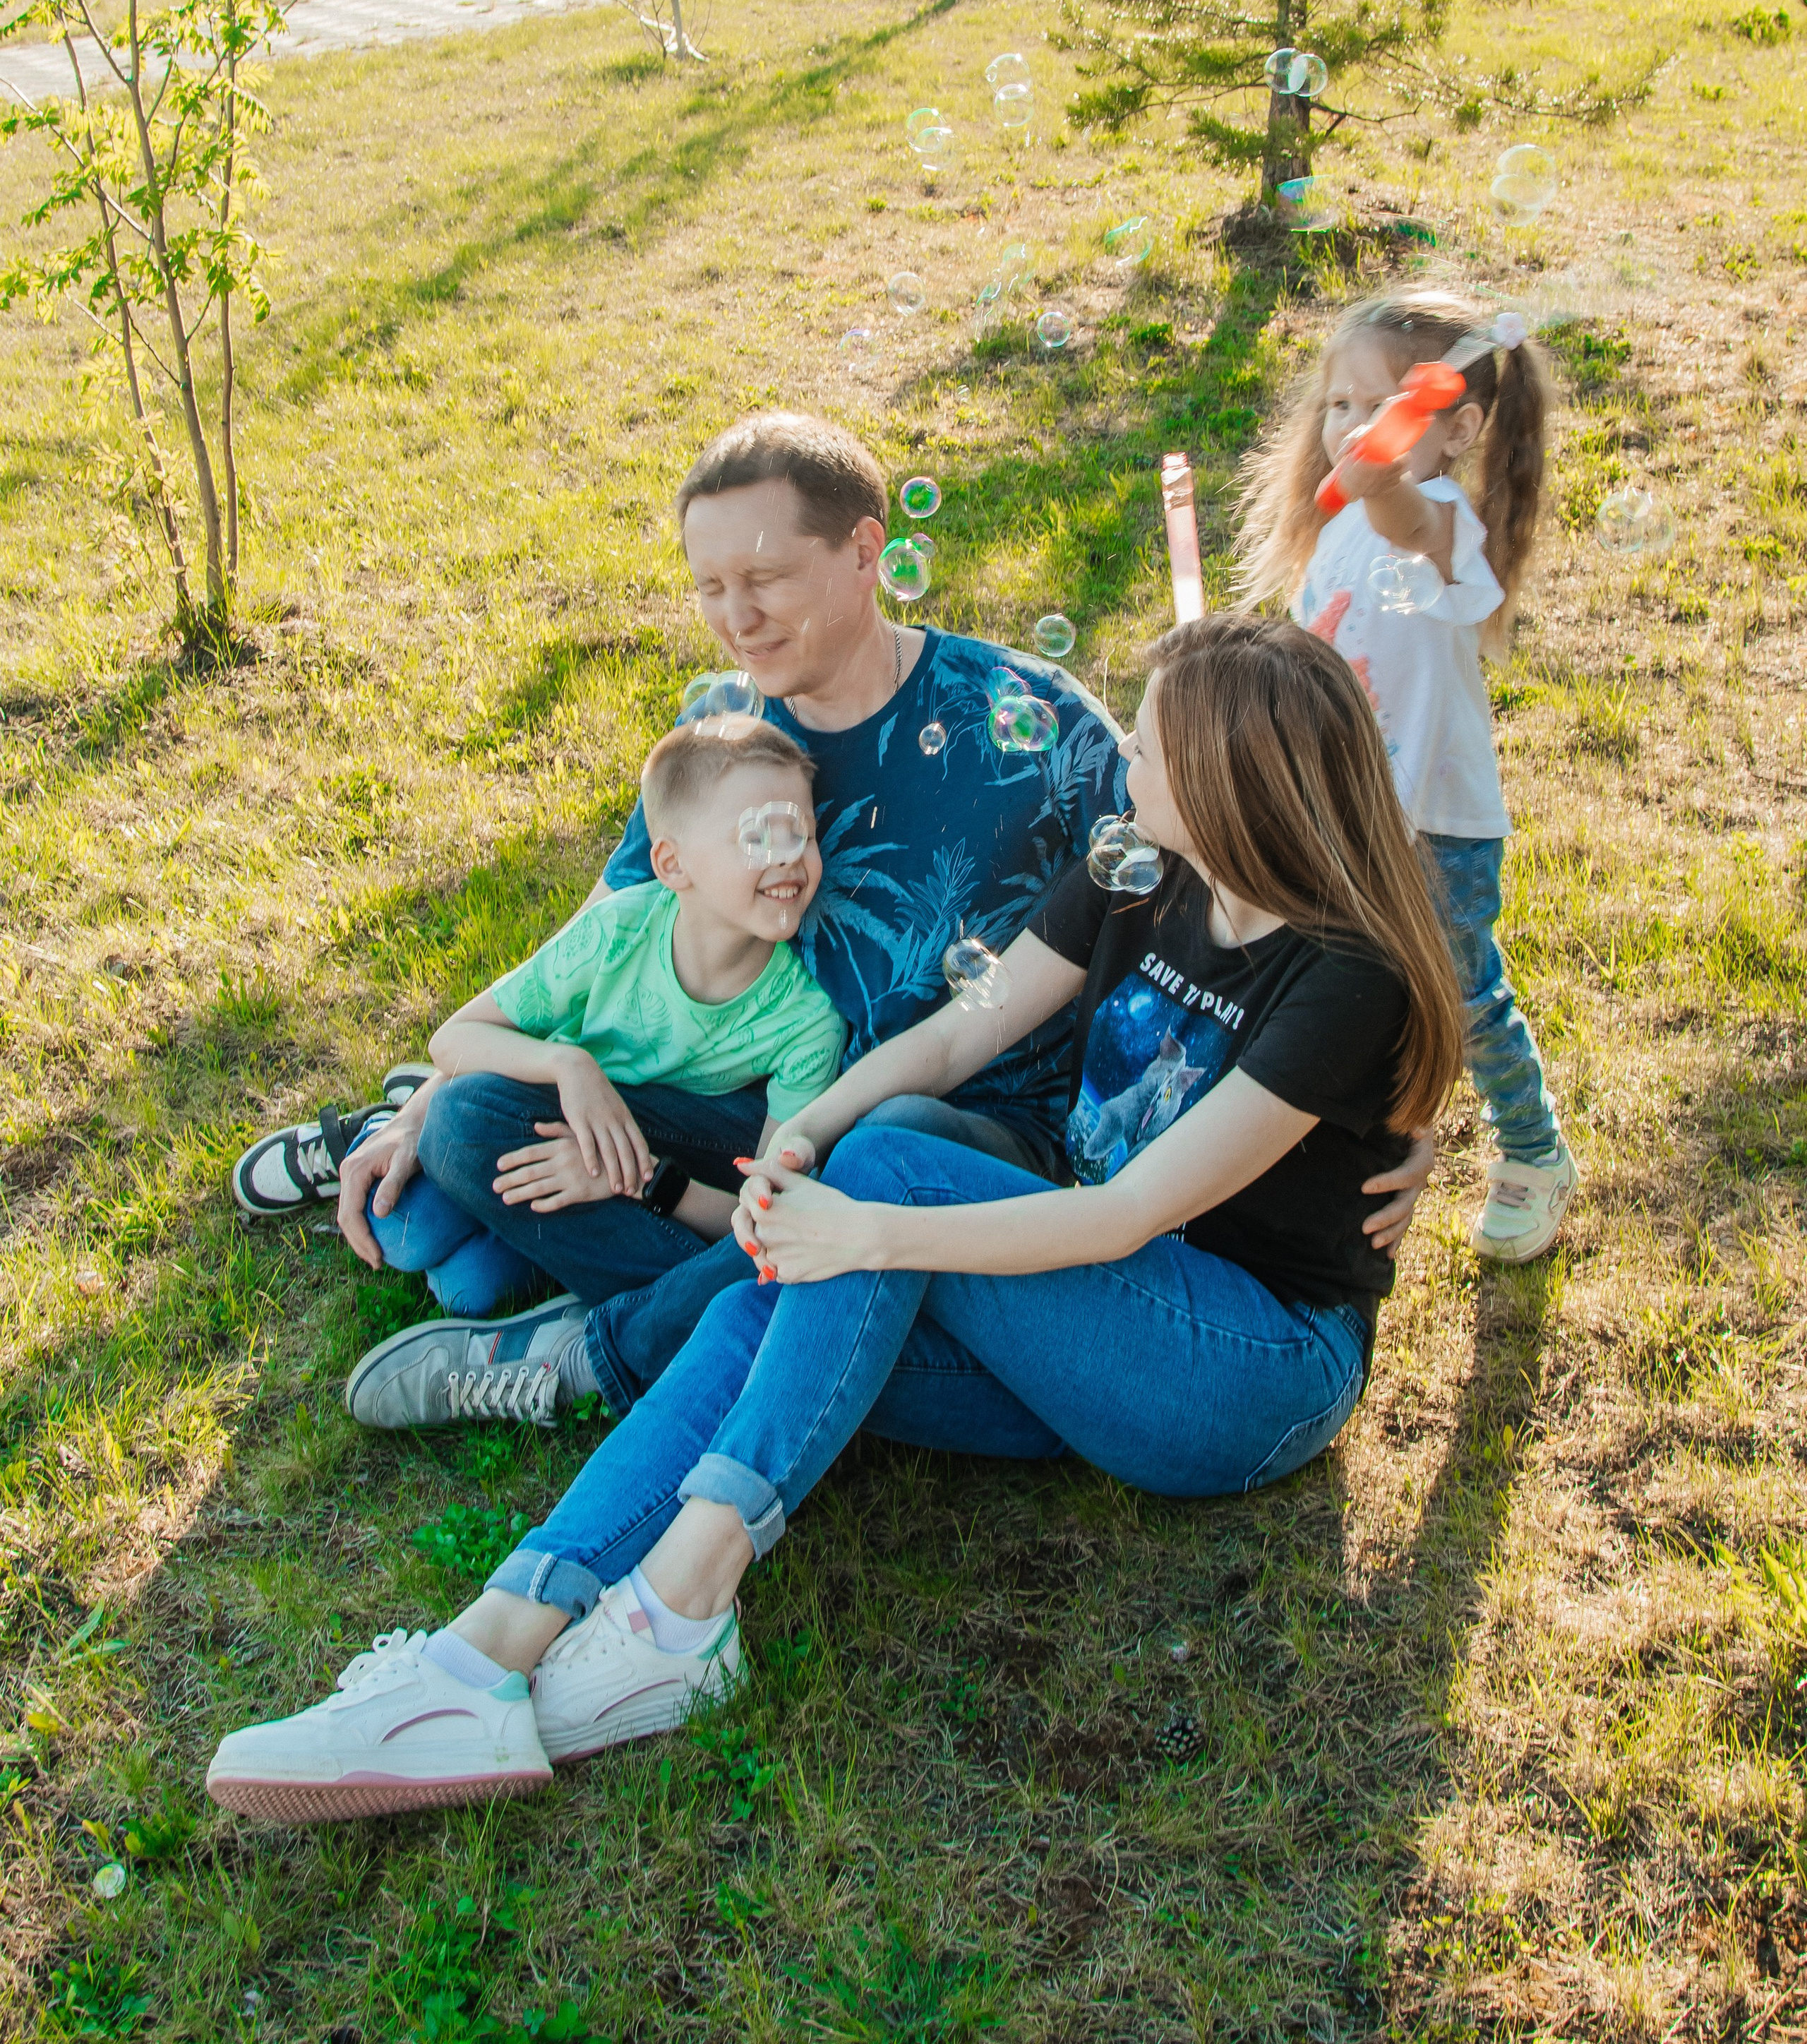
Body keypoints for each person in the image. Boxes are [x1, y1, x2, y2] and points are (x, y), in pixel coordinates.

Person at [203, 616, 1463, 1821]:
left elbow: (1124, 1216)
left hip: (1244, 1368)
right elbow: (966, 1029)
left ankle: (684, 1593)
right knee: (804, 1261)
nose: (1123, 759)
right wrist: (804, 1142)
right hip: (1074, 1326)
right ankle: (482, 1658)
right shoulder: (1136, 870)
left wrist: (868, 1222)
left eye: (1148, 745)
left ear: (1235, 783)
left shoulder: (1342, 975)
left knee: (889, 1187)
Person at [323, 413, 1148, 1426]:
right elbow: (609, 921)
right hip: (749, 1117)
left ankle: (594, 1352)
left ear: (864, 554)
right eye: (711, 587)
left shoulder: (1030, 721)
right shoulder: (728, 724)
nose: (736, 618)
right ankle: (794, 1312)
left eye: (764, 579)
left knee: (877, 1145)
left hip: (945, 1140)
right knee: (470, 1119)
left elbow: (1185, 864)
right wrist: (421, 1107)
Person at [1237, 288, 1573, 1264]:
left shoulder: (1443, 524)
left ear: (1458, 428)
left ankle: (1533, 1150)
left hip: (1437, 828)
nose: (1350, 428)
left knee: (1463, 999)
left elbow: (1400, 516)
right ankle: (1360, 1153)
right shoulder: (1335, 534)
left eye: (1381, 407)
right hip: (1344, 820)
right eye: (1337, 406)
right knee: (1348, 995)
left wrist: (1380, 466)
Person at [340, 717, 845, 1365]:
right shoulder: (616, 933)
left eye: (799, 831)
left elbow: (767, 1211)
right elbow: (455, 1037)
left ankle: (617, 1278)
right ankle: (682, 1304)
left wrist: (639, 1185)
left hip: (673, 1146)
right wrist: (568, 1063)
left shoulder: (808, 1017)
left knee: (470, 1281)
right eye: (757, 835)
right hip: (558, 1109)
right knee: (419, 1214)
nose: (787, 856)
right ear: (672, 864)